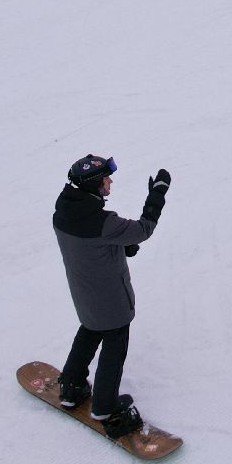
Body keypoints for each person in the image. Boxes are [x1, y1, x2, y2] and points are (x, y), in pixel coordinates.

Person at [52, 154, 171, 438]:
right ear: (93, 185)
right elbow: (143, 230)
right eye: (106, 178)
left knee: (90, 331)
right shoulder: (105, 223)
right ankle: (105, 406)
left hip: (84, 294)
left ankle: (72, 387)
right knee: (114, 345)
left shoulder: (64, 211)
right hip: (111, 298)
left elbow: (89, 245)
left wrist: (117, 247)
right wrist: (157, 195)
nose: (110, 181)